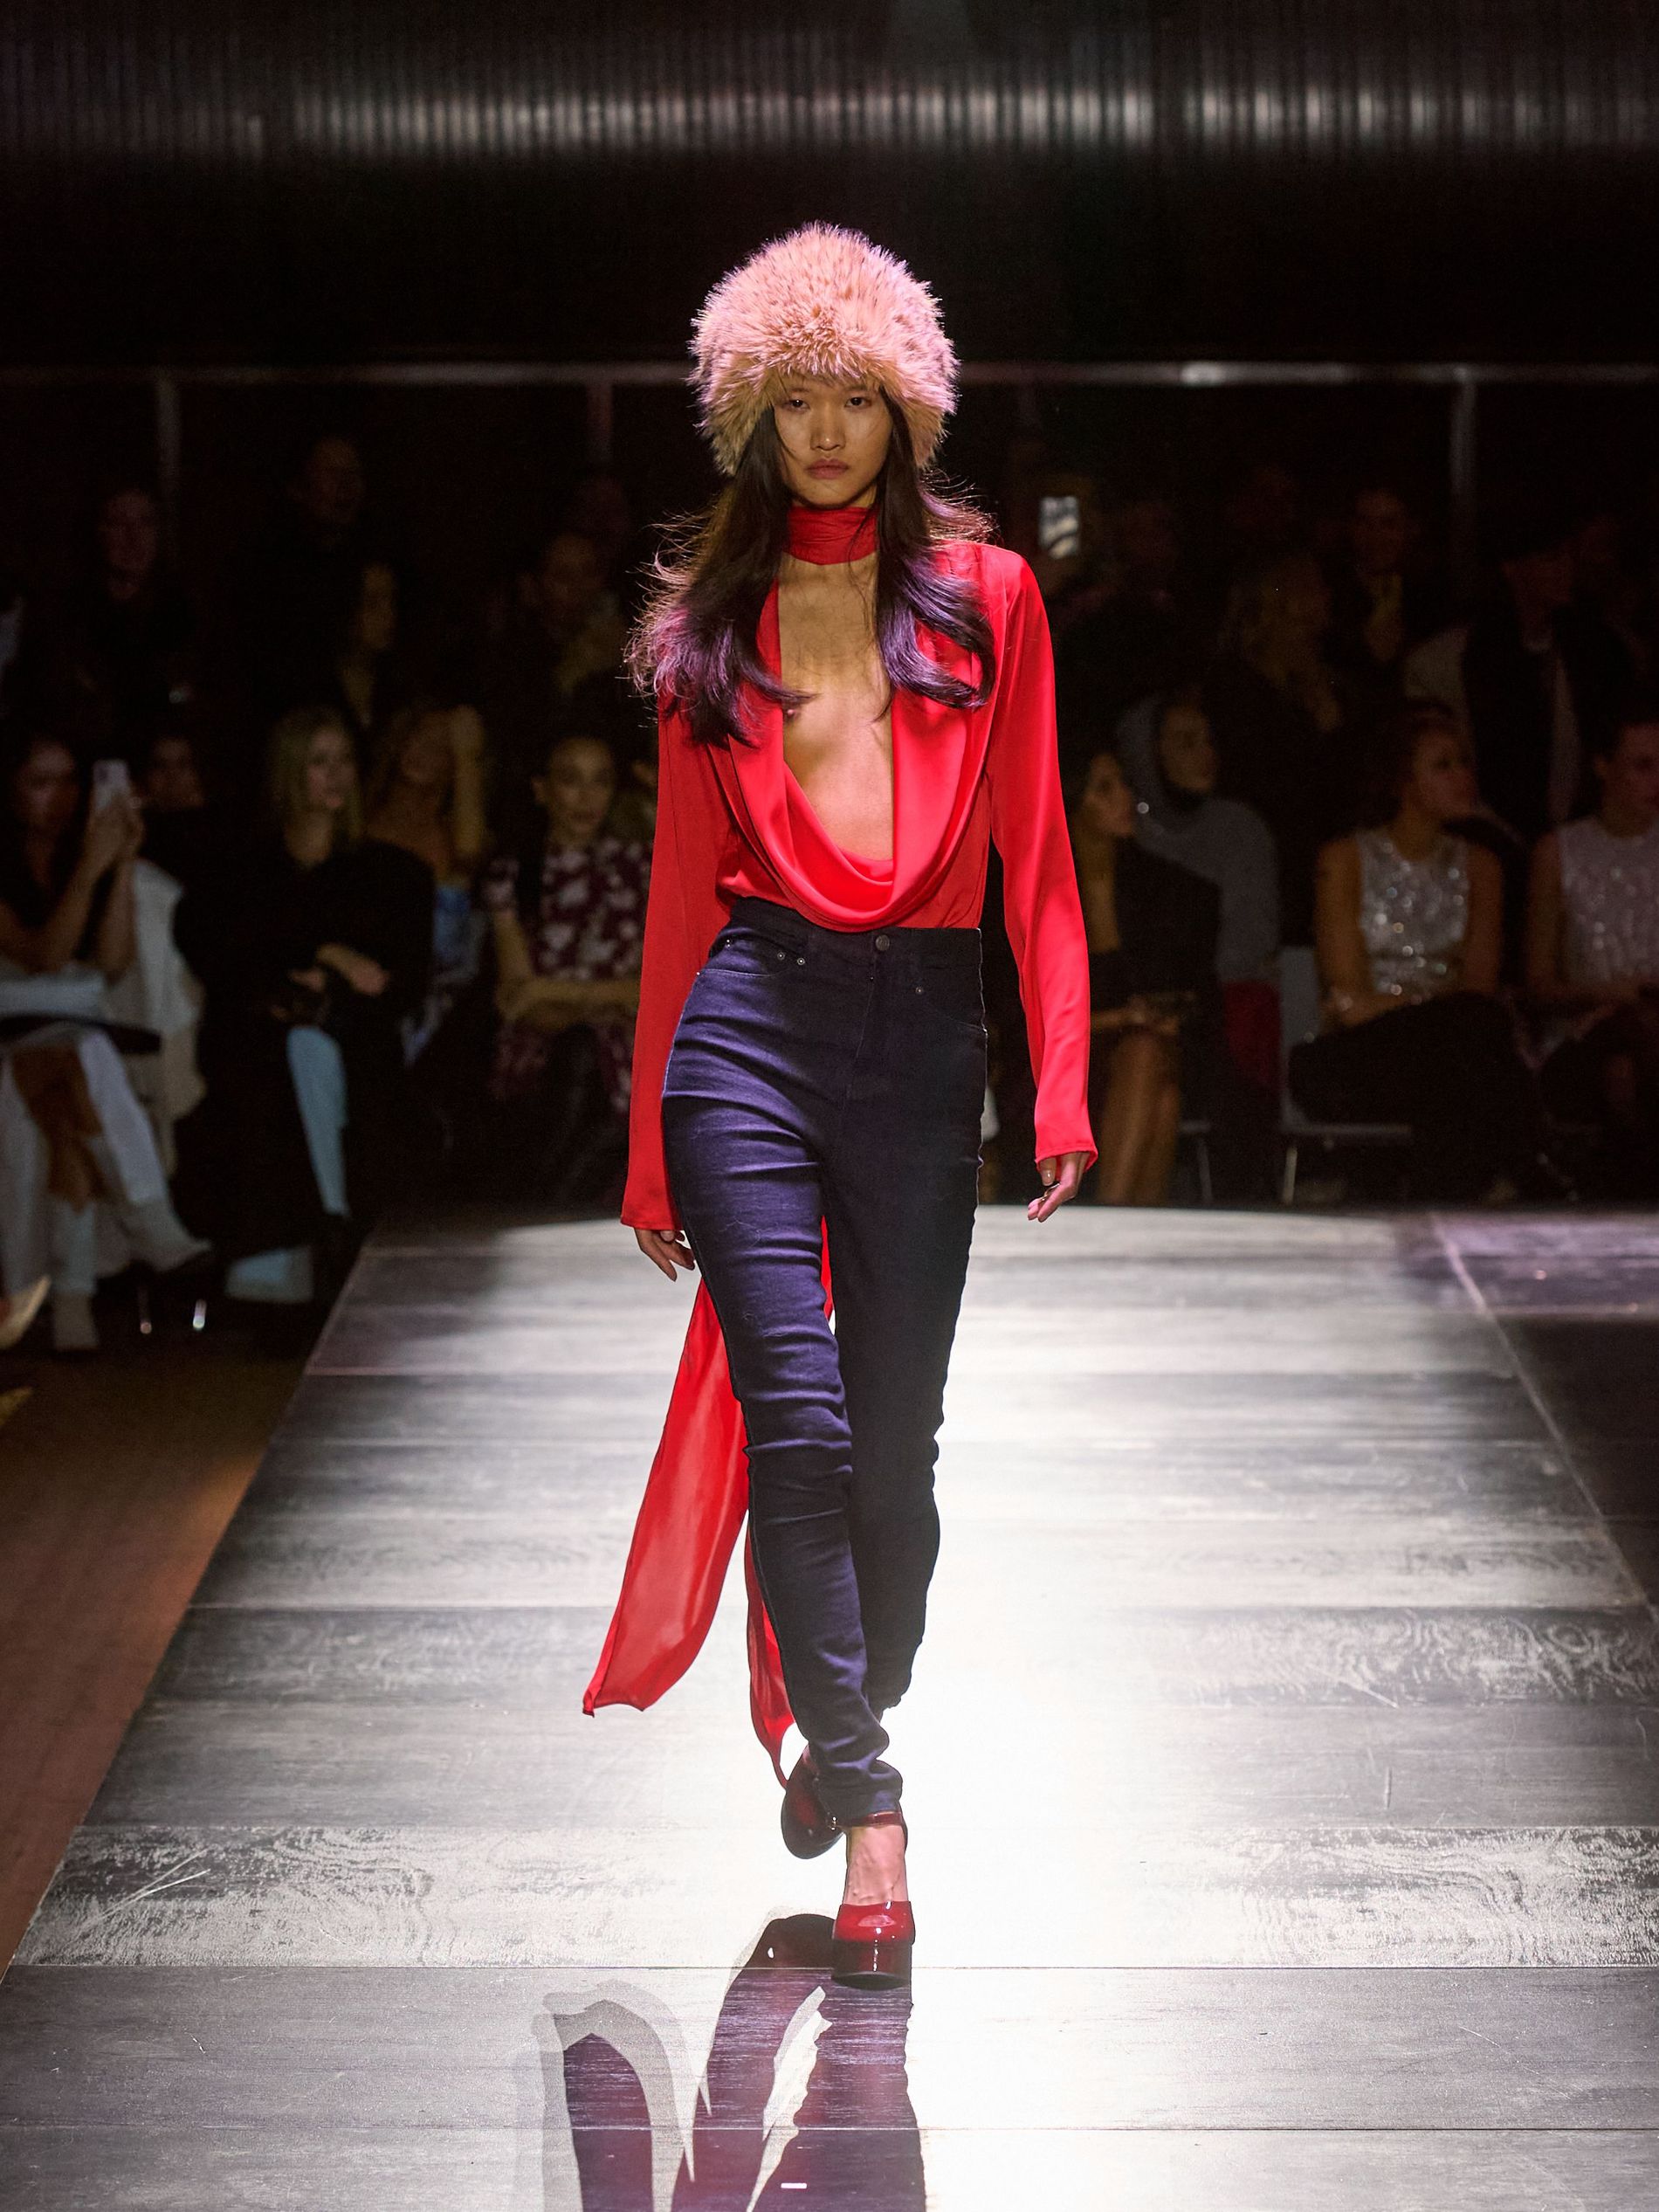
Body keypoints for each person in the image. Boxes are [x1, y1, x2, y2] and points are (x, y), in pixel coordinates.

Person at [582, 226, 1094, 1992]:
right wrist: (646, 1149)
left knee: (893, 1464)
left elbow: (1037, 851)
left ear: (905, 411)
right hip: (748, 1032)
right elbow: (678, 893)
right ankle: (871, 1810)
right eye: (790, 400)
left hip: (924, 1047)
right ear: (747, 416)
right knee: (797, 1428)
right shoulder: (704, 630)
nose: (821, 430)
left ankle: (838, 1706)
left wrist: (1061, 1073)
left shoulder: (992, 597)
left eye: (853, 398)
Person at [174, 706, 430, 1303]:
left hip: (358, 1044)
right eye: (319, 762)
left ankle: (332, 1228)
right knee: (281, 1060)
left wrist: (328, 981)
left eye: (343, 760)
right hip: (256, 1046)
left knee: (321, 1053)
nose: (335, 775)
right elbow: (223, 952)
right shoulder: (244, 871)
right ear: (289, 772)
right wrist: (327, 953)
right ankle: (317, 1235)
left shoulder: (387, 873)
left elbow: (396, 983)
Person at [1292, 705, 1556, 1200]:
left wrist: (1427, 1009)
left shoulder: (1482, 866)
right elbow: (1350, 1003)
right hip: (1365, 1054)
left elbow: (1478, 989)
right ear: (1402, 781)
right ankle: (1527, 1167)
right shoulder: (1345, 859)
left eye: (1464, 763)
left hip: (1455, 1050)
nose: (1463, 777)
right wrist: (1434, 1006)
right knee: (1467, 1050)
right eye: (1442, 765)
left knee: (1459, 1062)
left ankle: (1441, 1199)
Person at [0, 731, 208, 1350]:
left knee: (70, 1097)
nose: (59, 798)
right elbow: (43, 955)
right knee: (80, 1057)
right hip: (11, 1026)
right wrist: (92, 866)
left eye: (69, 781)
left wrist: (117, 866)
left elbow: (113, 961)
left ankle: (71, 1305)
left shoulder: (83, 861)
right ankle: (150, 1222)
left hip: (72, 1032)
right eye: (41, 782)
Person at [478, 731, 645, 1201]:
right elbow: (521, 1000)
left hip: (633, 1047)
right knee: (580, 1052)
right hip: (543, 1053)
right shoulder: (515, 873)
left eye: (600, 781)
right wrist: (599, 1005)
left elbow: (652, 991)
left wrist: (552, 989)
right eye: (571, 780)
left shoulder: (641, 869)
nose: (586, 797)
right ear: (542, 789)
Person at [1070, 746, 1220, 1202]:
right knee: (1159, 1087)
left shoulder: (1169, 890)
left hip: (1149, 1047)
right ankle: (1121, 1224)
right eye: (1104, 788)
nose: (1126, 798)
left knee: (1147, 1057)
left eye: (1125, 784)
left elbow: (1195, 995)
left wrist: (1160, 1016)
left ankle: (1108, 1220)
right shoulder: (1034, 888)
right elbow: (1016, 1015)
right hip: (1061, 1056)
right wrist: (1120, 1019)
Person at [1525, 702, 1659, 1191]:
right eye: (1642, 766)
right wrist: (1611, 995)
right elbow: (1538, 985)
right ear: (1603, 766)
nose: (1656, 780)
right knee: (1625, 1054)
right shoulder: (1559, 853)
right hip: (1580, 1036)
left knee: (1630, 1063)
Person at [1205, 551, 1357, 941]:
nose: (1323, 598)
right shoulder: (1234, 689)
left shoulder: (1330, 681)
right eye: (1309, 588)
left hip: (1323, 863)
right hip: (1265, 865)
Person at [3, 481, 198, 766]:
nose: (134, 538)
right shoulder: (62, 616)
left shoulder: (181, 613)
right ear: (97, 532)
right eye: (118, 523)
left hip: (161, 769)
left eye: (145, 522)